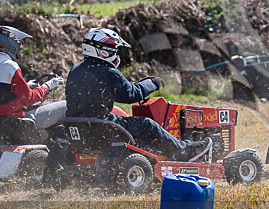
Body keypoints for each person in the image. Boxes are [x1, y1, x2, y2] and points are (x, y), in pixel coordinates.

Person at [64, 27, 206, 161]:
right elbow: (131, 94)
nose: (116, 54)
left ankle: (150, 155)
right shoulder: (107, 72)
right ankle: (184, 151)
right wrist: (152, 83)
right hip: (102, 131)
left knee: (125, 121)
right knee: (146, 124)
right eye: (114, 50)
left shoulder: (75, 71)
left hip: (80, 131)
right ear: (104, 51)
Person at [0, 26, 65, 129]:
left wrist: (27, 85)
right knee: (66, 106)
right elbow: (29, 99)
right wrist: (48, 86)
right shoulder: (9, 65)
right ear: (11, 44)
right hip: (14, 127)